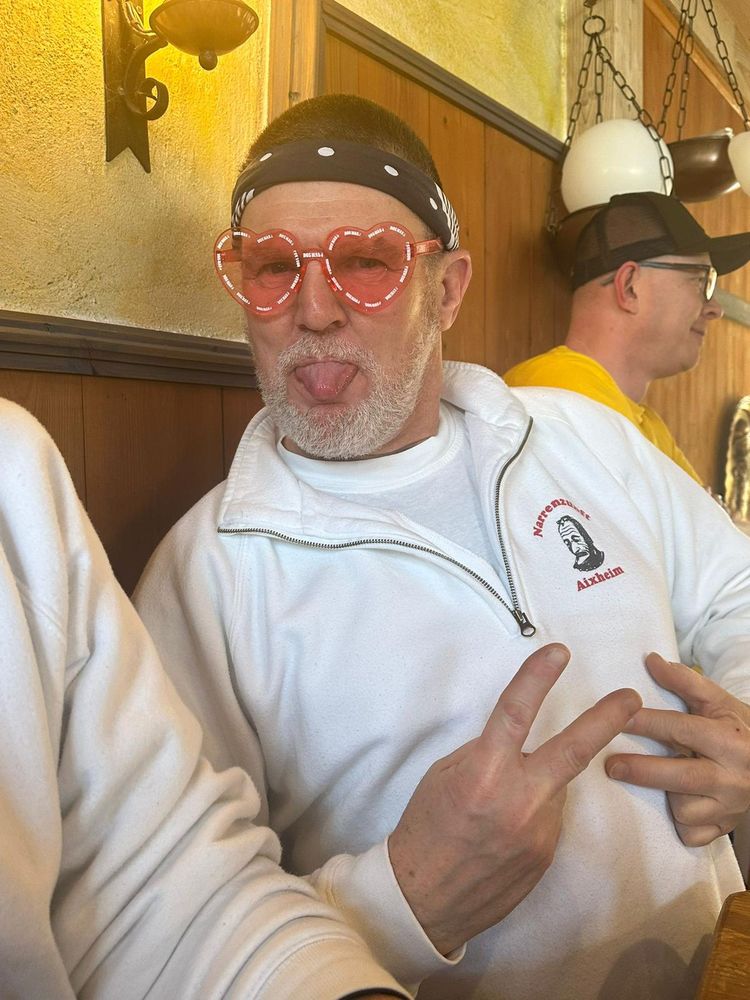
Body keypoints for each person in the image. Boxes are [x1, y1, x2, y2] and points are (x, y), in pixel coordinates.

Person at [134, 94, 750, 1000]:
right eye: (272, 267)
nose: (313, 310)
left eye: (367, 262)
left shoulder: (581, 435)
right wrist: (404, 900)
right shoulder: (206, 575)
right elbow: (168, 929)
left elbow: (736, 592)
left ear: (448, 288)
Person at [0, 397, 408, 999]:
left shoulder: (12, 469)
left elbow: (161, 891)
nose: (312, 334)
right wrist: (405, 906)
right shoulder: (209, 561)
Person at [504, 191, 750, 483]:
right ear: (630, 287)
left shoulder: (648, 425)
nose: (715, 309)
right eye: (702, 281)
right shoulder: (559, 393)